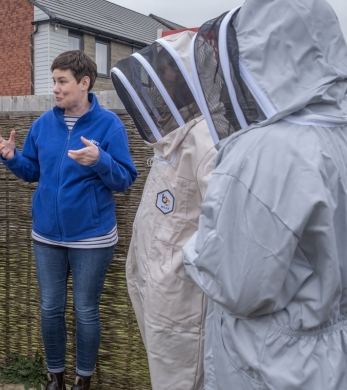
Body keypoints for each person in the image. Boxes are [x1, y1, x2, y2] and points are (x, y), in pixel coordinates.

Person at [181, 1, 347, 389]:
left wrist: (193, 251)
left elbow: (238, 286)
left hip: (275, 364)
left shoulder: (265, 152)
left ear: (260, 53)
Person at [0, 50, 138, 390]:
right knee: (49, 309)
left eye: (62, 82)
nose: (55, 89)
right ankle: (54, 377)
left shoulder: (109, 125)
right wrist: (13, 158)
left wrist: (100, 159)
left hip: (92, 237)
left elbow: (125, 179)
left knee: (86, 311)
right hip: (47, 236)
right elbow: (33, 171)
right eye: (54, 82)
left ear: (84, 83)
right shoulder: (44, 124)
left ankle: (82, 380)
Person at [111, 30, 215, 390]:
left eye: (172, 66)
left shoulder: (209, 141)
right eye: (162, 67)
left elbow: (220, 229)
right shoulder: (172, 133)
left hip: (184, 297)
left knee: (184, 379)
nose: (166, 75)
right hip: (154, 282)